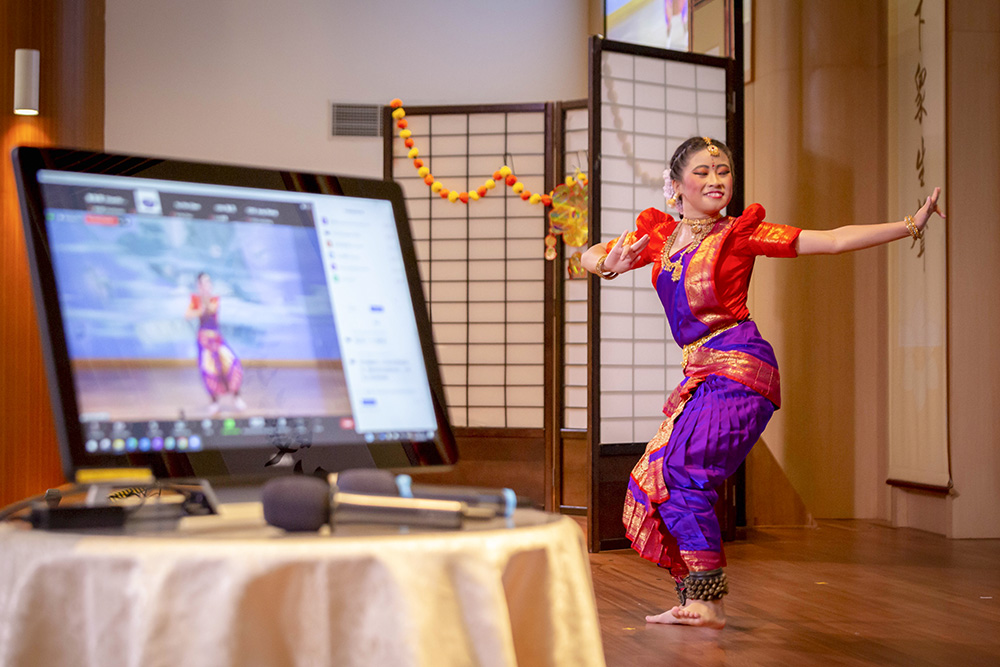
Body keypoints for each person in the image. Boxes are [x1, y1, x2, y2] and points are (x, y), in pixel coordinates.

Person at [581, 136, 944, 629]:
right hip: (703, 374)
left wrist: (908, 225)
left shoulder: (737, 235)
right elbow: (589, 253)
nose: (716, 181)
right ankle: (695, 598)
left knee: (684, 473)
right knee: (655, 480)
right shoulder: (662, 237)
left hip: (740, 370)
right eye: (703, 172)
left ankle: (707, 603)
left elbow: (830, 239)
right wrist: (607, 264)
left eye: (724, 171)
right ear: (674, 185)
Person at [185, 272, 246, 416]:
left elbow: (211, 310)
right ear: (198, 285)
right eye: (203, 283)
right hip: (204, 341)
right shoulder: (195, 299)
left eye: (208, 282)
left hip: (217, 339)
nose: (206, 285)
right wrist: (199, 307)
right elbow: (188, 315)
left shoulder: (214, 299)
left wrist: (203, 302)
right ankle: (214, 402)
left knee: (231, 364)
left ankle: (236, 397)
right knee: (209, 370)